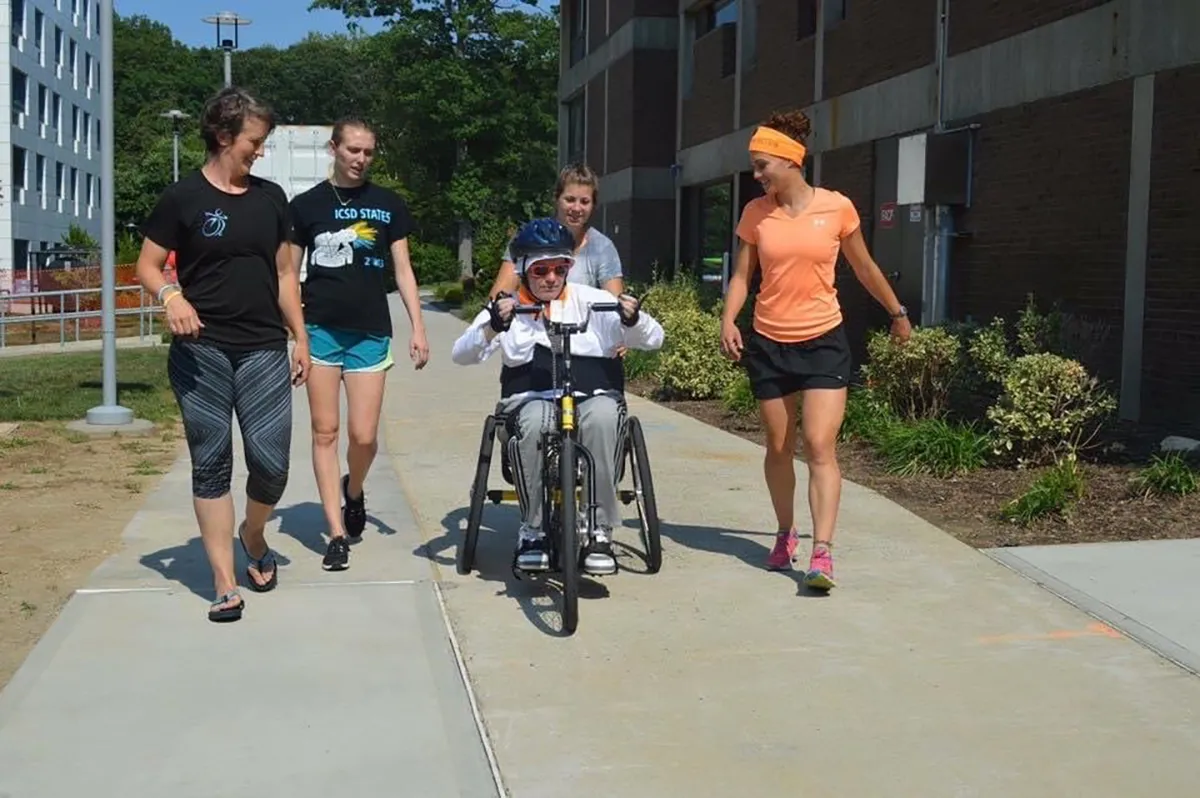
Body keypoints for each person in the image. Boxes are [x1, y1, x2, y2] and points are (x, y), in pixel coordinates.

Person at [135, 87, 310, 622]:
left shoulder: (271, 198)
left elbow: (284, 273)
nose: (260, 151)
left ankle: (253, 534)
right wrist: (171, 296)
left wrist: (299, 336)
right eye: (255, 141)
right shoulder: (182, 198)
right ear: (223, 135)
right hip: (199, 352)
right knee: (211, 463)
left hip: (262, 348)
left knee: (272, 465)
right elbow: (148, 265)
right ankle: (223, 581)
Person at [719, 109, 912, 591]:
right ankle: (786, 533)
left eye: (763, 165)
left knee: (820, 445)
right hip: (769, 341)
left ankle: (822, 553)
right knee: (780, 448)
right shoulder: (755, 214)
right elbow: (744, 276)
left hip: (824, 340)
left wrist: (897, 312)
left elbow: (864, 267)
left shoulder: (837, 208)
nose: (758, 175)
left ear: (790, 160)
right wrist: (727, 320)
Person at [452, 218, 664, 575]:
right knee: (536, 419)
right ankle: (532, 529)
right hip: (530, 401)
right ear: (523, 270)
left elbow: (654, 338)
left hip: (589, 397)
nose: (551, 278)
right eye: (541, 270)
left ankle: (598, 530)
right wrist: (492, 326)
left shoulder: (594, 301)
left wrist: (632, 320)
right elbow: (461, 354)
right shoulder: (508, 309)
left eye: (560, 268)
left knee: (603, 416)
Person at [288, 117, 430, 572]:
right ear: (334, 148)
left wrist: (418, 327)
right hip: (322, 331)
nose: (360, 159)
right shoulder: (306, 206)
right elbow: (287, 274)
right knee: (325, 432)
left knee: (363, 436)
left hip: (371, 331)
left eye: (368, 152)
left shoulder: (389, 204)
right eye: (352, 150)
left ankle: (354, 490)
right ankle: (335, 532)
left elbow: (403, 270)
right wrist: (296, 336)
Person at [487, 163, 624, 299]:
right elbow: (497, 298)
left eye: (584, 202)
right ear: (556, 199)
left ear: (593, 205)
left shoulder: (602, 248)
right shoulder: (527, 238)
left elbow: (616, 306)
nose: (577, 208)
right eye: (570, 200)